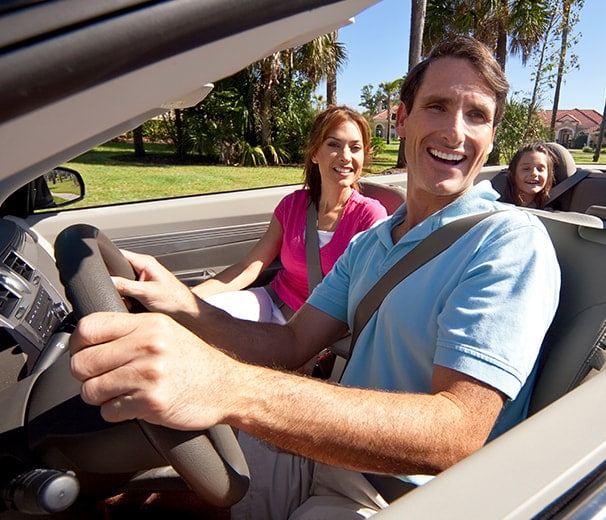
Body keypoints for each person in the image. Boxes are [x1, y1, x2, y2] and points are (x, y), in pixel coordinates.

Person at [69, 36, 561, 519]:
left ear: (493, 136)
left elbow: (456, 432)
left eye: (477, 115)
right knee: (111, 498)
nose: (456, 132)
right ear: (403, 119)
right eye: (436, 106)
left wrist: (228, 387)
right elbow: (290, 342)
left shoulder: (508, 243)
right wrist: (182, 303)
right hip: (326, 450)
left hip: (392, 494)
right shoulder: (374, 242)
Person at [192, 105, 388, 323]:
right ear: (315, 153)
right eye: (334, 145)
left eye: (355, 148)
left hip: (319, 327)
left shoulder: (370, 215)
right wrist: (190, 299)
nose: (345, 156)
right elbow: (248, 266)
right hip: (273, 301)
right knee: (198, 319)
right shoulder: (292, 205)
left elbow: (363, 299)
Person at [501, 141, 557, 208]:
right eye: (526, 169)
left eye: (540, 169)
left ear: (549, 175)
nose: (534, 173)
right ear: (512, 174)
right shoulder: (499, 203)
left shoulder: (550, 208)